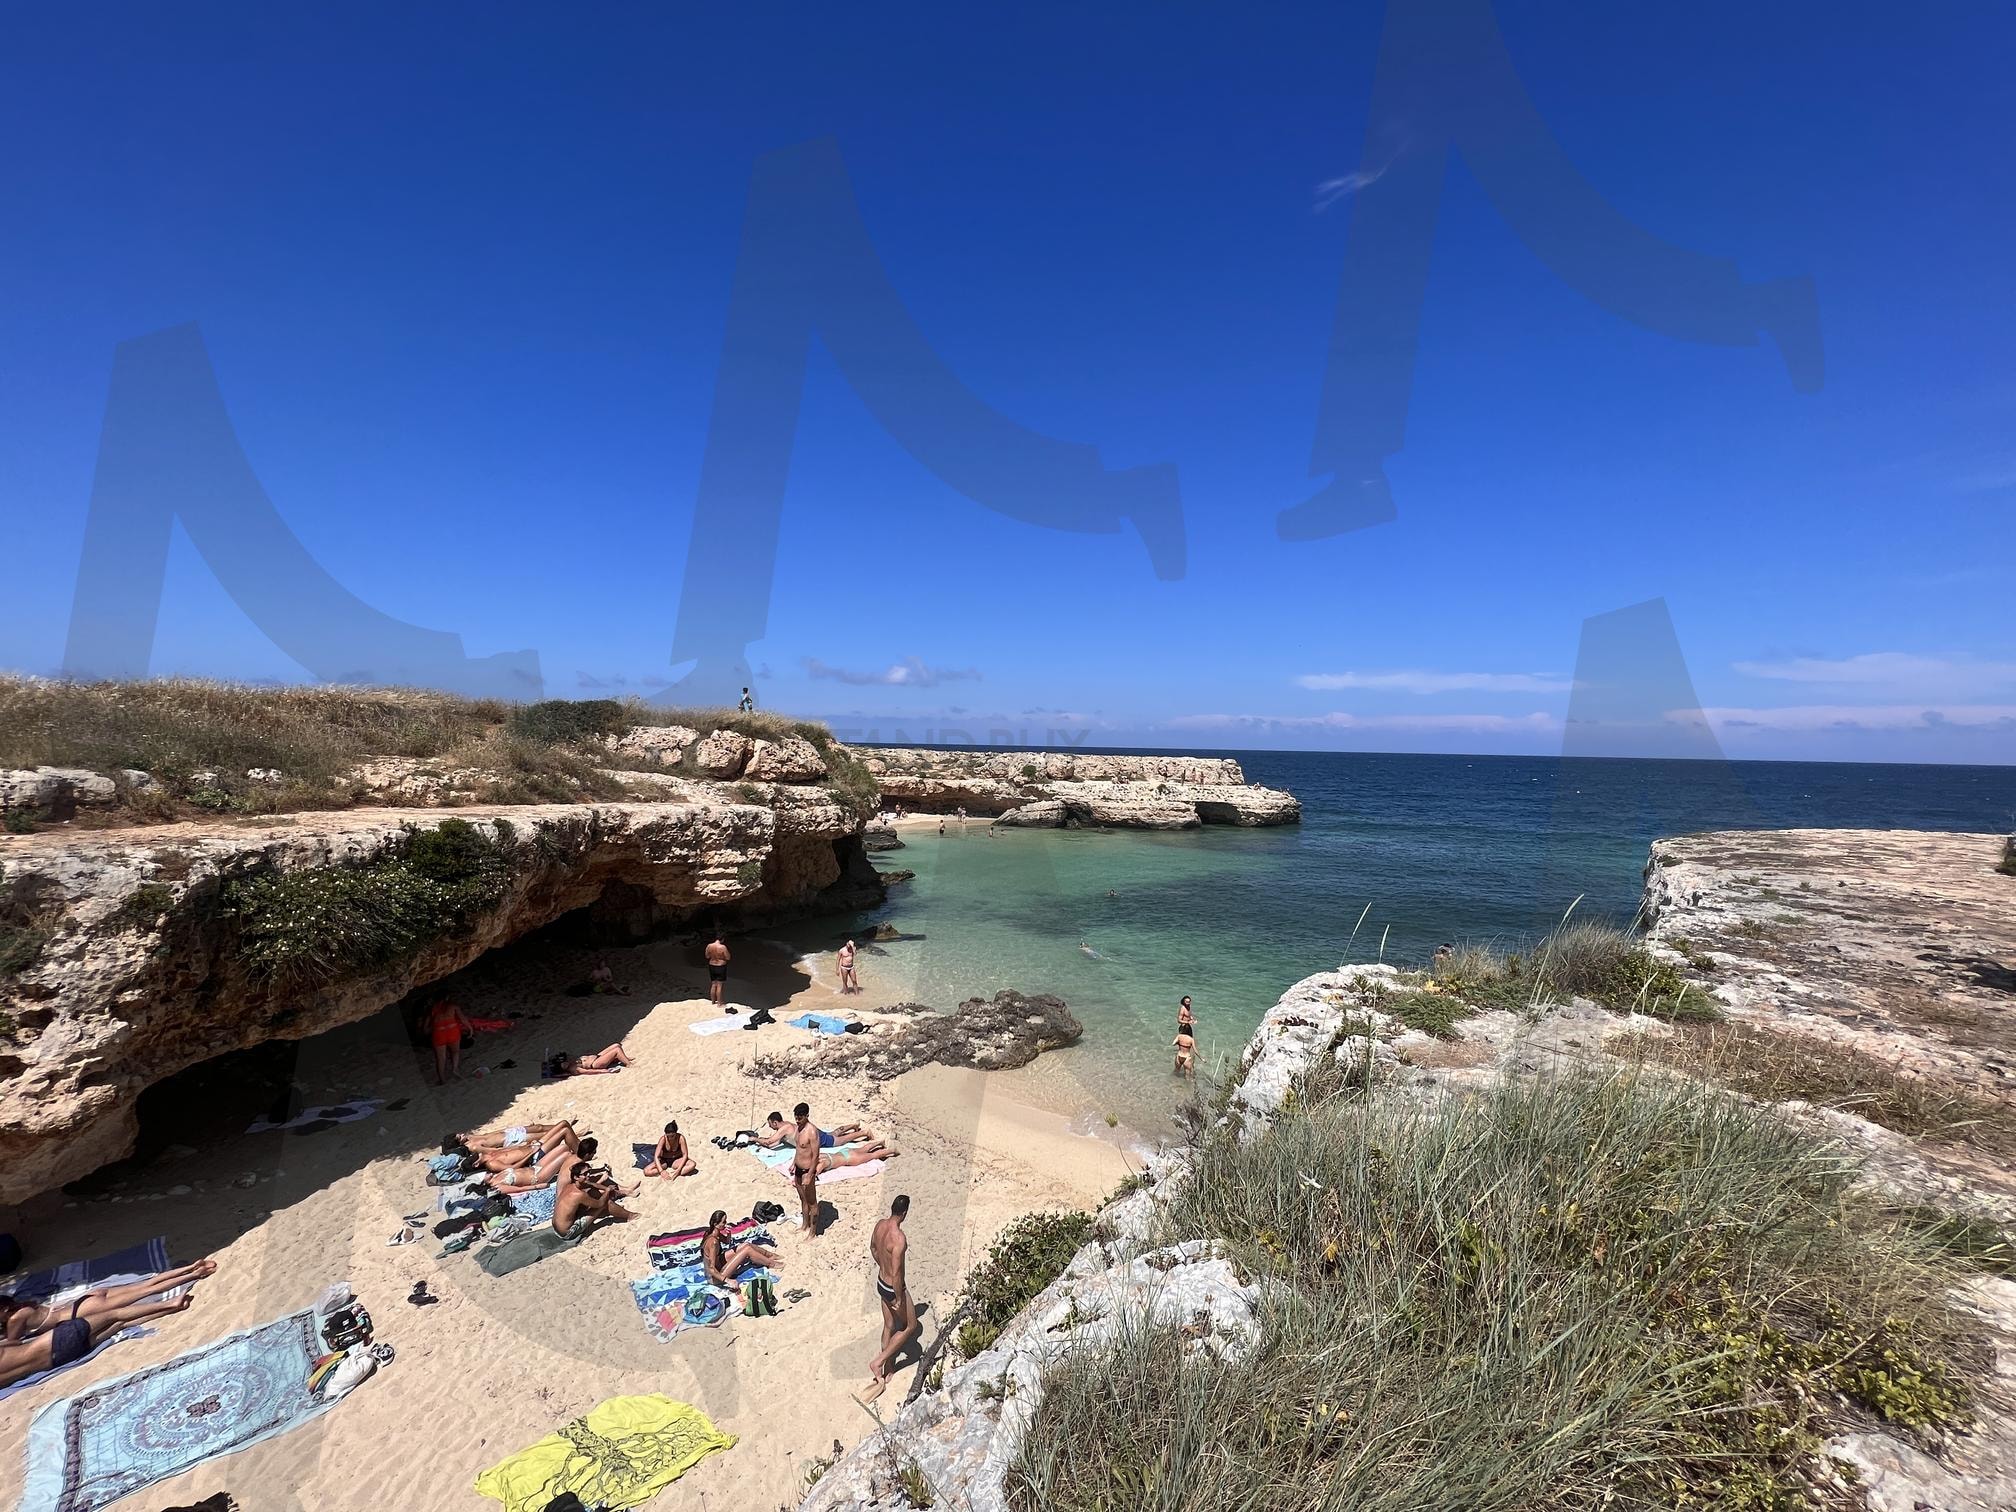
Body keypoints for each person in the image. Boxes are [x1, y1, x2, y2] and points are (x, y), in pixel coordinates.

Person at [0, 1288, 199, 1388]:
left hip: (57, 1360)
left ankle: (169, 1310)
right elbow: (15, 1343)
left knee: (120, 1324)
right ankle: (169, 1304)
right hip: (56, 1340)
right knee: (115, 1315)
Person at [1, 1259, 217, 1344]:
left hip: (82, 1310)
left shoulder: (15, 1319)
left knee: (147, 1291)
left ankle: (194, 1275)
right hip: (85, 1300)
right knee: (146, 1285)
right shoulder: (25, 1305)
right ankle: (191, 1268)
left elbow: (13, 1342)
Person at [864, 1194, 918, 1400]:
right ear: (904, 1213)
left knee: (889, 1325)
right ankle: (879, 1362)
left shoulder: (880, 1225)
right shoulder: (899, 1239)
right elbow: (896, 1273)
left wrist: (882, 1265)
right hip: (893, 1287)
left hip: (880, 1281)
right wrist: (899, 1298)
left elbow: (873, 1248)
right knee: (910, 1326)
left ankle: (888, 1368)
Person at [550, 1160, 638, 1237]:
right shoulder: (578, 1194)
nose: (588, 1175)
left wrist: (609, 1190)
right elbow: (600, 1204)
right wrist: (607, 1190)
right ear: (576, 1177)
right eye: (585, 1174)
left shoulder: (569, 1186)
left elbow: (592, 1184)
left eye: (589, 1172)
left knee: (593, 1192)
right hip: (568, 1232)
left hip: (557, 1227)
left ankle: (625, 1192)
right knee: (607, 1203)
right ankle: (630, 1216)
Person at [484, 1136, 599, 1192]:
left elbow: (515, 1167)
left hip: (534, 1168)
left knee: (564, 1147)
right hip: (537, 1178)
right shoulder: (497, 1187)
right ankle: (583, 1163)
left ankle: (583, 1157)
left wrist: (531, 1152)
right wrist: (538, 1187)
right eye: (484, 1176)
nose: (486, 1174)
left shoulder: (496, 1175)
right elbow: (518, 1190)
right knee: (566, 1155)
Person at [701, 1209, 783, 1286]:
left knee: (746, 1245)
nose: (726, 1223)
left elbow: (726, 1242)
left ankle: (770, 1255)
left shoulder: (714, 1232)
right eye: (724, 1222)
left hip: (719, 1263)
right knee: (747, 1250)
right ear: (716, 1224)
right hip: (716, 1277)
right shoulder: (713, 1242)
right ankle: (771, 1264)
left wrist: (728, 1234)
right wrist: (727, 1280)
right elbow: (711, 1268)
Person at [426, 995, 473, 1086]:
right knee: (455, 1051)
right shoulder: (453, 1006)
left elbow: (426, 1029)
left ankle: (442, 1079)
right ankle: (455, 1069)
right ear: (447, 998)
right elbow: (463, 1019)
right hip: (452, 1031)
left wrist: (433, 1029)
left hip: (439, 1033)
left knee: (441, 1058)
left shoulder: (431, 1009)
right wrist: (470, 1028)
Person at [791, 1102, 822, 1239]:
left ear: (807, 1115)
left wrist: (810, 1174)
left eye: (800, 1118)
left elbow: (815, 1155)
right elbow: (799, 1149)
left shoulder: (812, 1132)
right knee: (802, 1199)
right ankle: (805, 1225)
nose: (797, 1120)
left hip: (807, 1170)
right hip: (798, 1168)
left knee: (812, 1202)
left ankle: (813, 1233)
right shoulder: (798, 1128)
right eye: (796, 1117)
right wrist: (793, 1162)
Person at [548, 1043, 632, 1077]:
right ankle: (629, 1064)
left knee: (616, 1045)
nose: (565, 1063)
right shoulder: (573, 1068)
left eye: (563, 1062)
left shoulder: (570, 1060)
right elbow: (588, 1072)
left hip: (597, 1056)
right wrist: (605, 1071)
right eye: (563, 1065)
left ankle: (625, 1058)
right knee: (617, 1050)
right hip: (595, 1064)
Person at [705, 933, 731, 1007]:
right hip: (720, 966)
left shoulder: (709, 946)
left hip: (712, 965)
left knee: (713, 984)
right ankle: (720, 1003)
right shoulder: (723, 947)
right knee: (719, 985)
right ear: (722, 939)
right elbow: (728, 957)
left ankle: (713, 1001)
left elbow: (707, 956)